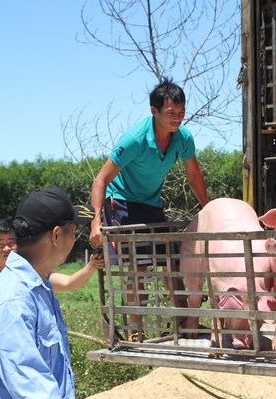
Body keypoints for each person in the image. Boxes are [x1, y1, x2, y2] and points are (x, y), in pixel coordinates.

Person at [89, 77, 209, 338]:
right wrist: (95, 221)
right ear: (154, 111)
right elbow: (101, 179)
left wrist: (209, 210)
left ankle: (184, 321)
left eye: (181, 112)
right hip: (121, 201)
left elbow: (194, 174)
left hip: (152, 203)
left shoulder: (183, 137)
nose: (177, 118)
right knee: (138, 265)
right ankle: (137, 329)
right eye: (170, 113)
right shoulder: (135, 139)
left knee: (172, 261)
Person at [0, 187, 96, 399]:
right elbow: (33, 394)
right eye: (73, 231)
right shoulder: (13, 299)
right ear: (56, 235)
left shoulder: (38, 287)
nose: (75, 239)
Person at [0, 215, 104, 378]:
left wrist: (91, 266)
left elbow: (70, 283)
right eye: (0, 244)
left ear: (19, 244)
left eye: (11, 242)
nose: (6, 248)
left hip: (29, 362)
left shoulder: (35, 275)